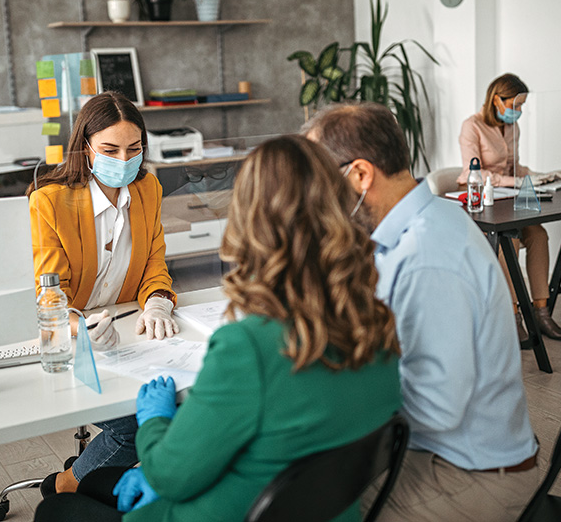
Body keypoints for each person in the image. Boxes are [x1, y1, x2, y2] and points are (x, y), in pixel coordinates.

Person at [33, 135, 402, 522]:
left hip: (228, 510)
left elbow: (169, 475)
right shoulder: (377, 323)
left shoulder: (248, 346)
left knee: (57, 510)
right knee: (99, 482)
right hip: (323, 509)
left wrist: (155, 420)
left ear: (250, 221)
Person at [304, 102, 540, 522]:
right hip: (457, 452)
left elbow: (436, 410)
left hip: (468, 473)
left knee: (309, 504)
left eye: (320, 182)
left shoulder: (426, 257)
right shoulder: (430, 219)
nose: (317, 198)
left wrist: (329, 398)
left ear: (360, 174)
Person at [28, 91, 179, 495]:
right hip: (76, 343)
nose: (123, 159)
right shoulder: (50, 202)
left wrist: (158, 301)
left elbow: (154, 262)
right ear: (86, 148)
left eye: (134, 149)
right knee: (132, 427)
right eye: (110, 149)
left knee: (182, 402)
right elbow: (51, 296)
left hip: (133, 336)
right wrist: (80, 328)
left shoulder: (148, 190)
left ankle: (120, 486)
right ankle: (64, 486)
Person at [458, 73, 561, 343]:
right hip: (482, 203)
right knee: (510, 244)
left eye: (522, 105)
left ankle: (542, 313)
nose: (519, 111)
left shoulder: (512, 128)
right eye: (516, 104)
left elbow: (514, 167)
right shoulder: (471, 126)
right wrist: (518, 181)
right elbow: (472, 172)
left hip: (508, 200)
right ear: (497, 99)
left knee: (538, 235)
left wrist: (539, 175)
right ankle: (513, 316)